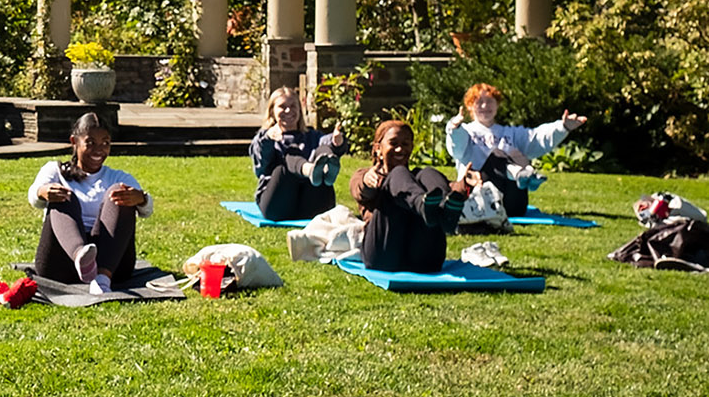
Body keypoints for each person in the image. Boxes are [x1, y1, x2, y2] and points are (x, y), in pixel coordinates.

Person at [27, 112, 152, 292]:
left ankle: (102, 279)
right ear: (74, 141)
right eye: (91, 143)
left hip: (111, 264)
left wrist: (141, 198)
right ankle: (81, 257)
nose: (99, 149)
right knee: (63, 194)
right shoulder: (55, 170)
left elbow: (147, 210)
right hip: (60, 264)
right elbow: (33, 197)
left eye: (105, 143)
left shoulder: (118, 176)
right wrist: (42, 191)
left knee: (120, 193)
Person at [350, 120, 476, 274]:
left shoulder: (420, 179)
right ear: (378, 149)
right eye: (393, 143)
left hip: (425, 259)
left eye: (405, 144)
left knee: (428, 172)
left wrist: (464, 183)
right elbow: (359, 189)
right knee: (398, 173)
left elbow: (452, 187)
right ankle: (422, 206)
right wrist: (367, 182)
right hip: (383, 256)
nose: (399, 149)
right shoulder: (366, 175)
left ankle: (446, 216)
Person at [445, 83, 587, 217]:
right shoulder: (467, 131)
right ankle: (521, 174)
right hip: (480, 199)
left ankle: (524, 176)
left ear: (497, 105)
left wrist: (563, 127)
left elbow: (536, 138)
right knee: (498, 154)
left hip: (513, 206)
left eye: (490, 101)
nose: (485, 106)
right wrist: (454, 128)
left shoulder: (509, 132)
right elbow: (456, 147)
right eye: (479, 101)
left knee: (515, 152)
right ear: (470, 106)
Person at [249, 87, 346, 222]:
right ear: (272, 111)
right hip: (277, 206)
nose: (288, 111)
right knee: (291, 153)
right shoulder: (264, 138)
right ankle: (308, 169)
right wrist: (268, 140)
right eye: (282, 107)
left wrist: (337, 142)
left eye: (293, 106)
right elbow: (261, 167)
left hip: (312, 206)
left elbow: (327, 141)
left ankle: (326, 172)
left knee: (324, 150)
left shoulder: (312, 136)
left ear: (300, 110)